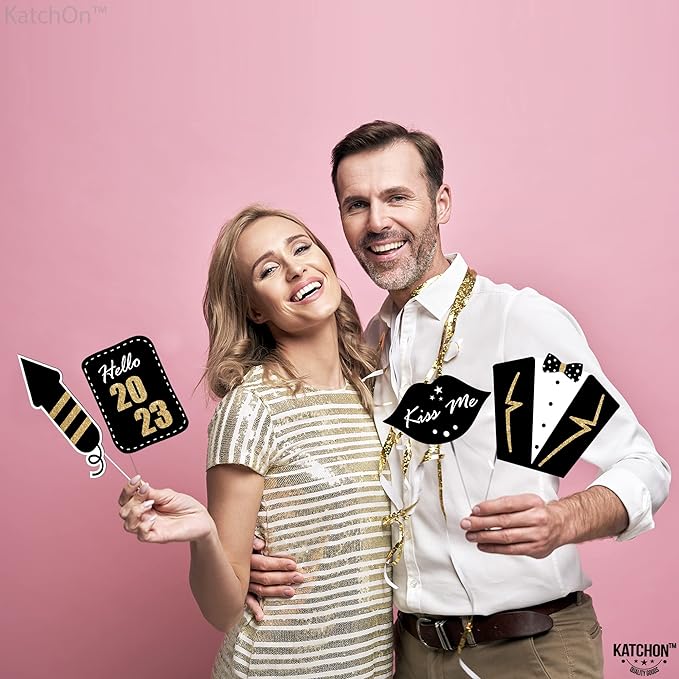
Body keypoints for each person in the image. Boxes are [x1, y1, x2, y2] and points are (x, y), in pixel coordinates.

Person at [248, 121, 671, 679]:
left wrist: (564, 518)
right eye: (357, 205)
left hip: (527, 648)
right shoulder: (368, 348)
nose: (378, 222)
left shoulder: (511, 324)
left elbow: (644, 468)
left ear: (441, 203)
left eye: (398, 197)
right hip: (410, 655)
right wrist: (246, 547)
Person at [117, 205, 394, 679]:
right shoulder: (252, 407)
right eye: (268, 269)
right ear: (254, 308)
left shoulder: (375, 388)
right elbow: (223, 609)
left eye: (301, 248)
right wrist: (204, 534)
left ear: (326, 259)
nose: (294, 268)